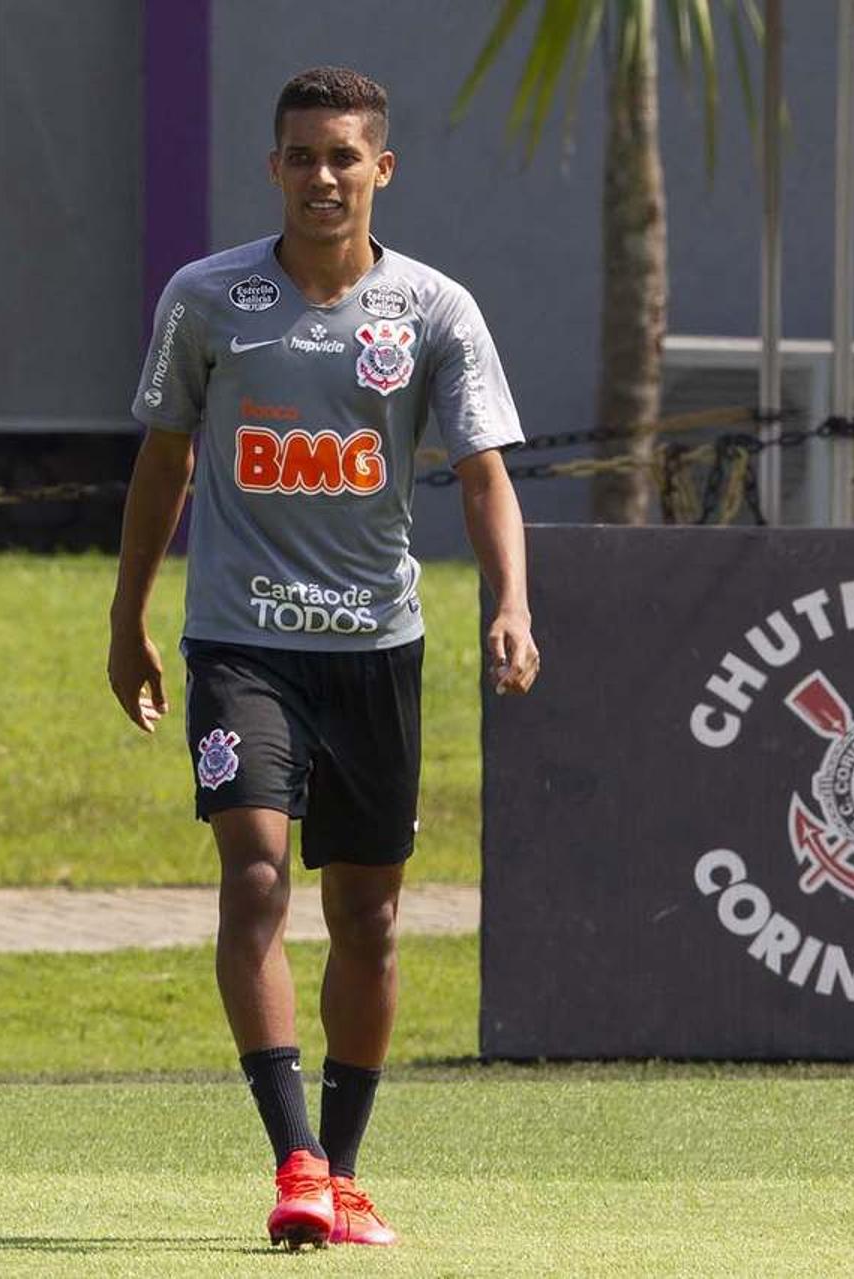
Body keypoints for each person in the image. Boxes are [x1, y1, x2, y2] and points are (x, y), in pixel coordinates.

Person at [107, 65, 539, 1250]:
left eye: (345, 155)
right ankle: (293, 1154)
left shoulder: (436, 310)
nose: (323, 176)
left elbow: (487, 475)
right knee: (255, 877)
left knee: (372, 919)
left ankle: (341, 1173)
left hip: (375, 655)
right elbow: (164, 465)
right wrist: (126, 613)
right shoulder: (209, 299)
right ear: (274, 169)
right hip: (241, 646)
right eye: (302, 156)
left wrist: (511, 604)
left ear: (380, 170)